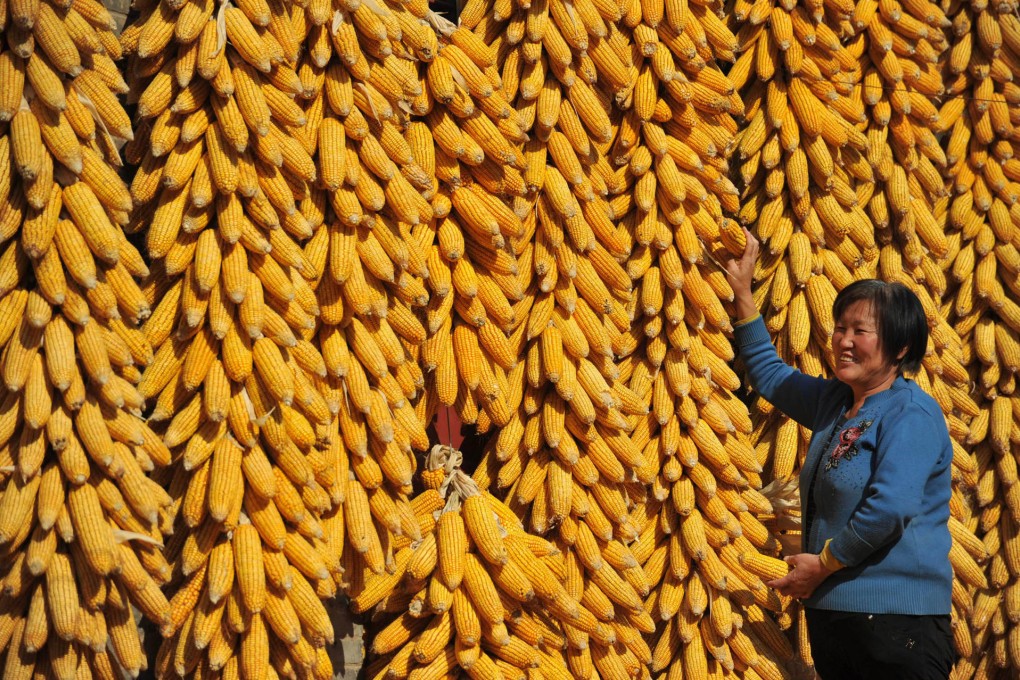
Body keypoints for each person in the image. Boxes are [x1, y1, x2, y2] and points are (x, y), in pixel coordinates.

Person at [724, 231, 956, 679]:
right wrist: (744, 298)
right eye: (840, 327)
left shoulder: (911, 414)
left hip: (896, 627)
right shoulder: (836, 401)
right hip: (836, 619)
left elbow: (890, 509)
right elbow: (771, 377)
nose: (843, 341)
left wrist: (823, 564)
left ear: (900, 348)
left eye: (861, 332)